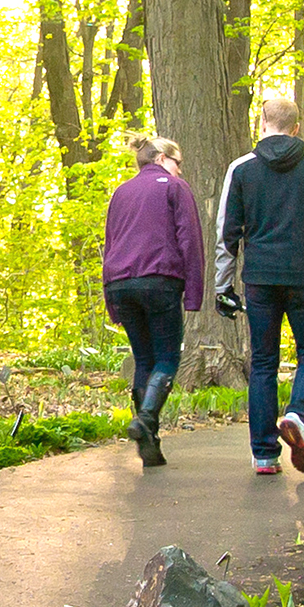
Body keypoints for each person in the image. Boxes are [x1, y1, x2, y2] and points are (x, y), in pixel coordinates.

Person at [213, 98, 304, 476]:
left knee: (263, 362)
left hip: (260, 279)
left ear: (262, 123)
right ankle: (298, 415)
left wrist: (222, 286)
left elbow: (227, 233)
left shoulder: (241, 170)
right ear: (297, 128)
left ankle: (264, 454)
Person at [102, 134, 207, 468]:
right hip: (159, 279)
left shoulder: (120, 192)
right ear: (162, 158)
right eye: (178, 163)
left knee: (143, 358)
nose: (180, 169)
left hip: (121, 283)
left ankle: (150, 441)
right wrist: (194, 293)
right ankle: (146, 418)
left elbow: (110, 244)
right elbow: (190, 240)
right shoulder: (175, 188)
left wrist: (110, 298)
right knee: (166, 358)